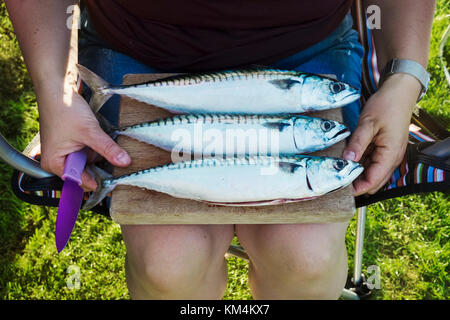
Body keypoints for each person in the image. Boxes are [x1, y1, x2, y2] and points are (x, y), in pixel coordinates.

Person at [5, 0, 435, 299]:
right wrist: (56, 91)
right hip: (136, 51)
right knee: (168, 266)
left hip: (308, 57)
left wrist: (405, 77)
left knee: (308, 261)